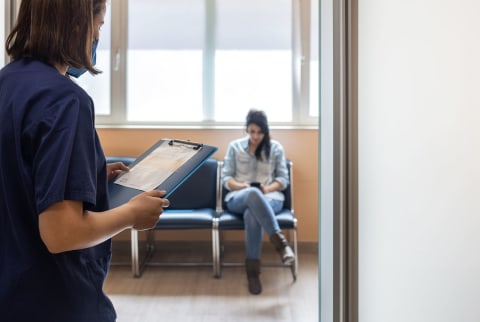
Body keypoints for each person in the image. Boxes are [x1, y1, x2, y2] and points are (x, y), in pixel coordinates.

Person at [0, 1, 169, 321]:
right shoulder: (65, 100)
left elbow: (17, 173)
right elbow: (61, 232)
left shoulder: (7, 84)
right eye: (100, 25)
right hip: (54, 300)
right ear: (77, 23)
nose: (97, 35)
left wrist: (88, 173)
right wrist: (132, 214)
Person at [222, 109, 295, 295]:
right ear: (246, 129)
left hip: (271, 197)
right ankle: (281, 244)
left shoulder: (276, 148)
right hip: (238, 197)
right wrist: (243, 186)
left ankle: (252, 274)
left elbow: (282, 180)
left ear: (266, 132)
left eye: (259, 132)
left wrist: (266, 189)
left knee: (252, 214)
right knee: (252, 194)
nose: (255, 136)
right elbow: (226, 179)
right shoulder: (234, 147)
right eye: (251, 131)